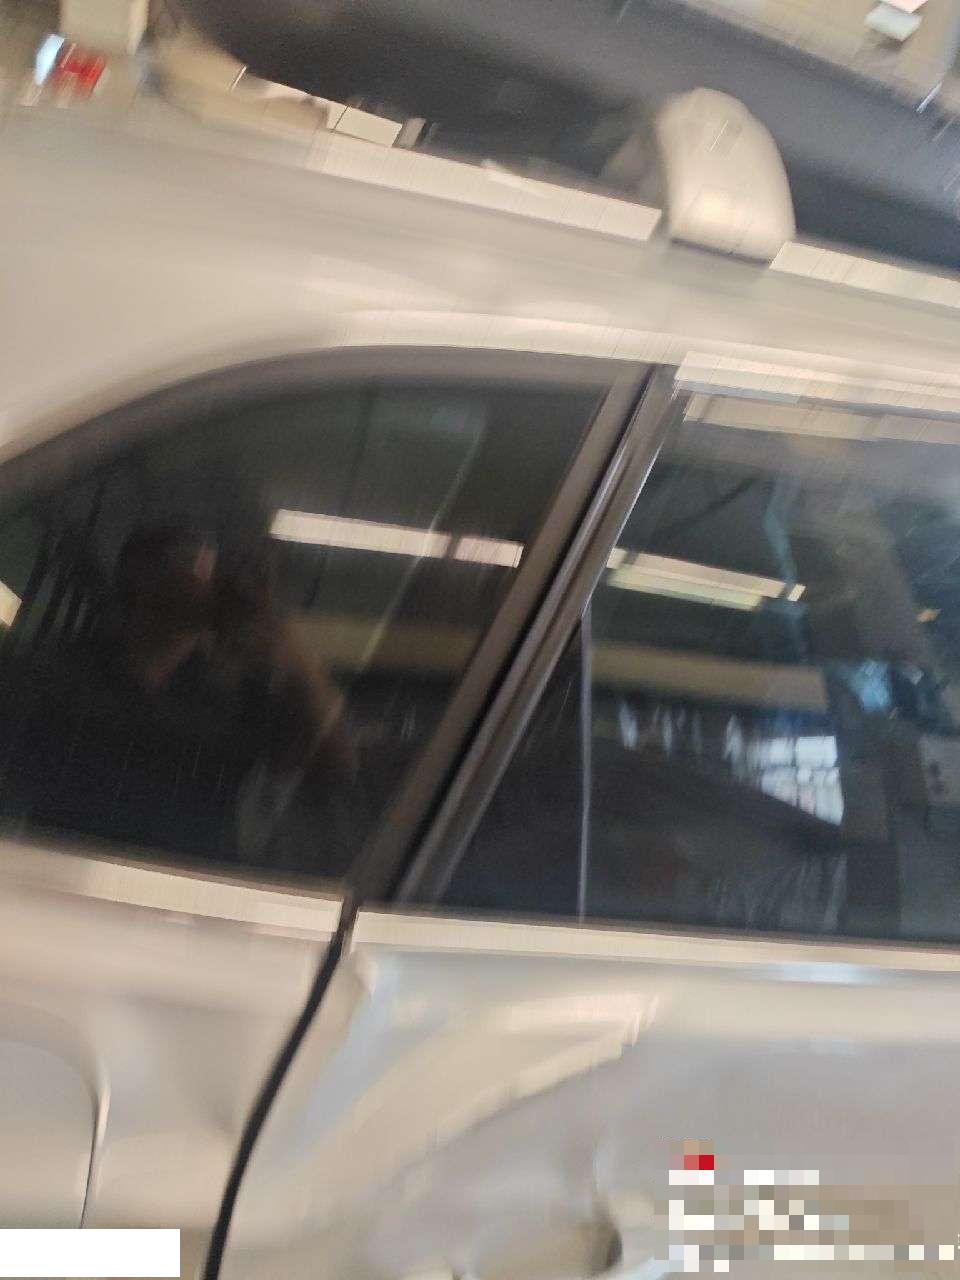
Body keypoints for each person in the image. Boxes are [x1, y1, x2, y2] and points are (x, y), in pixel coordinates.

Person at [5, 524, 360, 872]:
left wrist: (279, 637)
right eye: (191, 558)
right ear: (140, 575)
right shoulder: (56, 671)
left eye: (214, 562)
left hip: (196, 889)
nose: (212, 574)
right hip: (54, 872)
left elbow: (337, 764)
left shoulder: (241, 691)